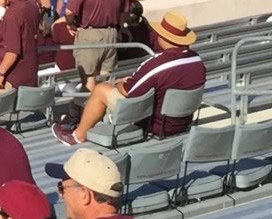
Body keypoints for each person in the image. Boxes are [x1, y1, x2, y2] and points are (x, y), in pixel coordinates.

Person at [55, 10, 205, 146]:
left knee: (101, 89)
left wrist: (120, 83)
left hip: (156, 125)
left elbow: (129, 92)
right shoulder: (197, 61)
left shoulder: (158, 64)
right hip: (182, 122)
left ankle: (78, 136)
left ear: (163, 37)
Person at [63, 0, 128, 89]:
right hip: (111, 34)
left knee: (88, 80)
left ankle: (89, 109)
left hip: (90, 35)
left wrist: (70, 24)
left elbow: (69, 11)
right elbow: (124, 12)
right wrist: (119, 28)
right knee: (106, 81)